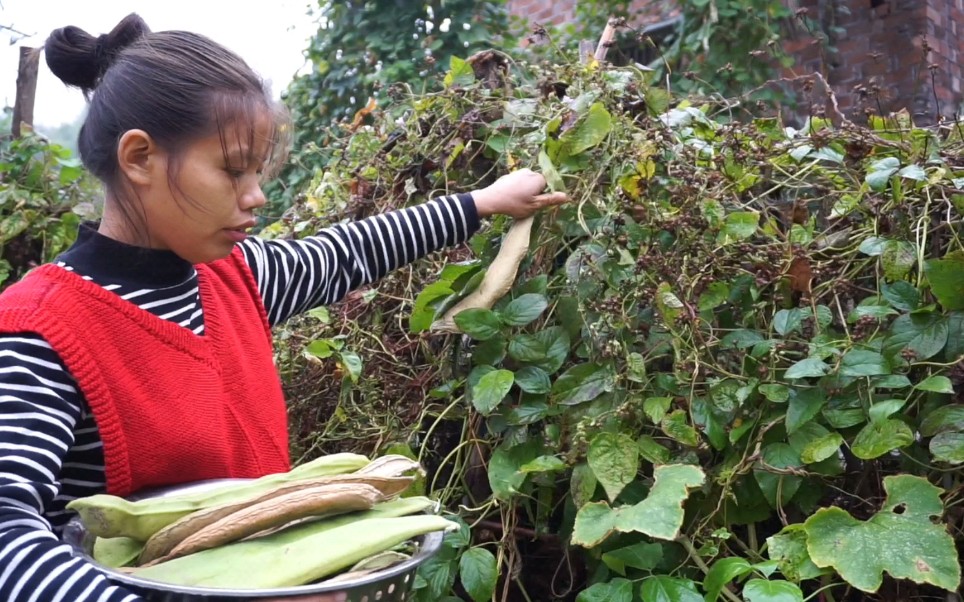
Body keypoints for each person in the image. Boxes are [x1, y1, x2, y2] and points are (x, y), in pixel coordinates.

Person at [0, 13, 566, 602]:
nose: (256, 195)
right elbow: (8, 536)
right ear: (139, 158)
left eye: (258, 171)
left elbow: (349, 252)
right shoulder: (39, 330)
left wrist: (483, 202)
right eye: (232, 169)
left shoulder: (235, 277)